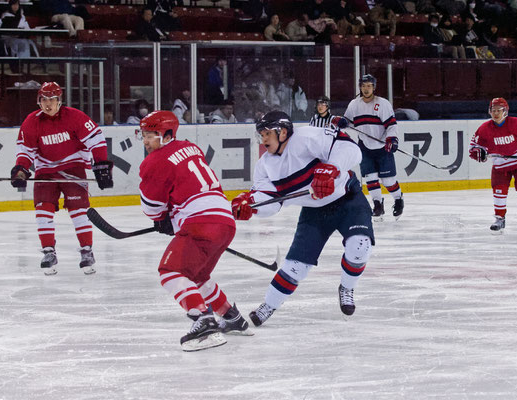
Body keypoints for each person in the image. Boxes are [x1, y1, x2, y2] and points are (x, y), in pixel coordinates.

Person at [232, 111, 373, 327]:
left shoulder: (307, 137)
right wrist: (251, 206)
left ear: (283, 132)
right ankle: (268, 305)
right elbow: (272, 201)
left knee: (360, 246)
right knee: (295, 266)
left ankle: (347, 287)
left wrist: (332, 168)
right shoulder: (265, 166)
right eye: (261, 134)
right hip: (314, 211)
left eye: (267, 133)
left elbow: (351, 149)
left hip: (348, 200)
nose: (263, 139)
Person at [136, 110, 252, 351]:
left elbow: (152, 207)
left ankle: (204, 321)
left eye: (151, 135)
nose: (146, 141)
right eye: (143, 135)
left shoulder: (154, 161)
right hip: (224, 222)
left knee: (170, 271)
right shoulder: (190, 147)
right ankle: (231, 317)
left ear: (167, 135)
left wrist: (162, 219)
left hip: (200, 222)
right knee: (196, 276)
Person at [10, 82, 114, 275]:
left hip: (73, 169)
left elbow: (96, 139)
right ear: (39, 102)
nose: (48, 104)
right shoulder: (31, 121)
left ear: (59, 101)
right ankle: (49, 252)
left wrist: (101, 164)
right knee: (43, 210)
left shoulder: (74, 117)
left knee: (78, 210)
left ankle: (86, 251)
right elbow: (25, 150)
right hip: (45, 171)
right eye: (44, 100)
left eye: (52, 100)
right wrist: (21, 169)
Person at [469, 97, 517, 234]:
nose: (496, 113)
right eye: (493, 110)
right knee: (499, 191)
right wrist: (479, 153)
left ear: (505, 111)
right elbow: (474, 147)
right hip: (500, 165)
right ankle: (499, 219)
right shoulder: (484, 129)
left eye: (499, 110)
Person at [343, 74, 404, 221]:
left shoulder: (382, 104)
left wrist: (392, 139)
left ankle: (398, 199)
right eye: (363, 86)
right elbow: (348, 122)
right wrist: (341, 122)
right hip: (365, 146)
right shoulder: (354, 104)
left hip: (383, 147)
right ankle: (378, 204)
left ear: (374, 87)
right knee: (370, 178)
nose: (366, 88)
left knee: (388, 181)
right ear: (360, 87)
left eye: (369, 86)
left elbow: (391, 125)